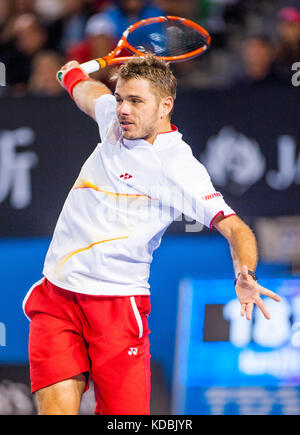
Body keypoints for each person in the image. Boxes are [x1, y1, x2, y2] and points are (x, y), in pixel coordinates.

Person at [22, 53, 281, 415]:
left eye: (136, 101)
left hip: (117, 308)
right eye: (120, 99)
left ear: (165, 105)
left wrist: (245, 275)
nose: (123, 109)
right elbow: (88, 92)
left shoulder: (179, 168)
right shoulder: (113, 122)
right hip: (58, 299)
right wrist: (71, 76)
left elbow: (235, 228)